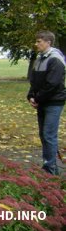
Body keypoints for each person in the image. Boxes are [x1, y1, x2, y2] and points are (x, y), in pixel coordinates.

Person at [27, 30, 65, 175]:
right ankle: (48, 163)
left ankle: (51, 170)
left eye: (39, 41)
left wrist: (37, 98)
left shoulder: (55, 59)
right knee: (44, 134)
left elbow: (52, 84)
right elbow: (34, 81)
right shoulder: (40, 58)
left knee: (49, 134)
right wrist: (31, 95)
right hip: (42, 101)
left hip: (54, 102)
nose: (36, 44)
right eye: (36, 41)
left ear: (48, 42)